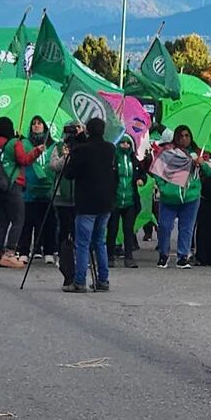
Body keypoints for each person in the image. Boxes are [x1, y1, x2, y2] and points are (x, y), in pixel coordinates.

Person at [63, 118, 117, 292]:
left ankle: (80, 281)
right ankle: (103, 279)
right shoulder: (110, 149)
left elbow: (69, 173)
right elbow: (93, 150)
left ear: (87, 130)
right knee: (100, 241)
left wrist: (74, 147)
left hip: (86, 202)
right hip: (105, 201)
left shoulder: (82, 150)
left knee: (83, 243)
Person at [0, 117, 44, 269]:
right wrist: (36, 151)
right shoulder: (14, 143)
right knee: (18, 220)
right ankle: (9, 254)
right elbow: (23, 160)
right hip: (13, 185)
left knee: (2, 220)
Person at [156, 125, 210, 269]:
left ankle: (183, 256)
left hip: (191, 196)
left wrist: (202, 164)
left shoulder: (197, 154)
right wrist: (162, 187)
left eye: (187, 136)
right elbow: (157, 171)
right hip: (169, 196)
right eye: (181, 136)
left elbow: (210, 174)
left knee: (187, 228)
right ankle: (163, 254)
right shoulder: (168, 152)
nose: (184, 139)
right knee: (164, 226)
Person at [17, 116, 57, 264]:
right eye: (33, 123)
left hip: (48, 189)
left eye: (39, 123)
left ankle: (48, 251)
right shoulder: (25, 143)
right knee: (27, 222)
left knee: (49, 222)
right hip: (29, 189)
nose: (36, 126)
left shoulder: (53, 145)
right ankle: (24, 251)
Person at [48, 123, 81, 288]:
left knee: (76, 227)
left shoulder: (81, 147)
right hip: (61, 194)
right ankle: (61, 253)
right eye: (67, 131)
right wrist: (65, 157)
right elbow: (53, 165)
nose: (69, 135)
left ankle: (75, 254)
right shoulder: (58, 146)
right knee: (63, 226)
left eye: (72, 132)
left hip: (78, 194)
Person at [107, 136, 146, 268]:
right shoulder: (113, 159)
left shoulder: (133, 159)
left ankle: (129, 257)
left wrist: (141, 179)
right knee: (112, 229)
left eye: (127, 143)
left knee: (129, 230)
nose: (125, 145)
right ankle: (109, 256)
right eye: (122, 142)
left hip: (130, 199)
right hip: (115, 199)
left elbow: (142, 173)